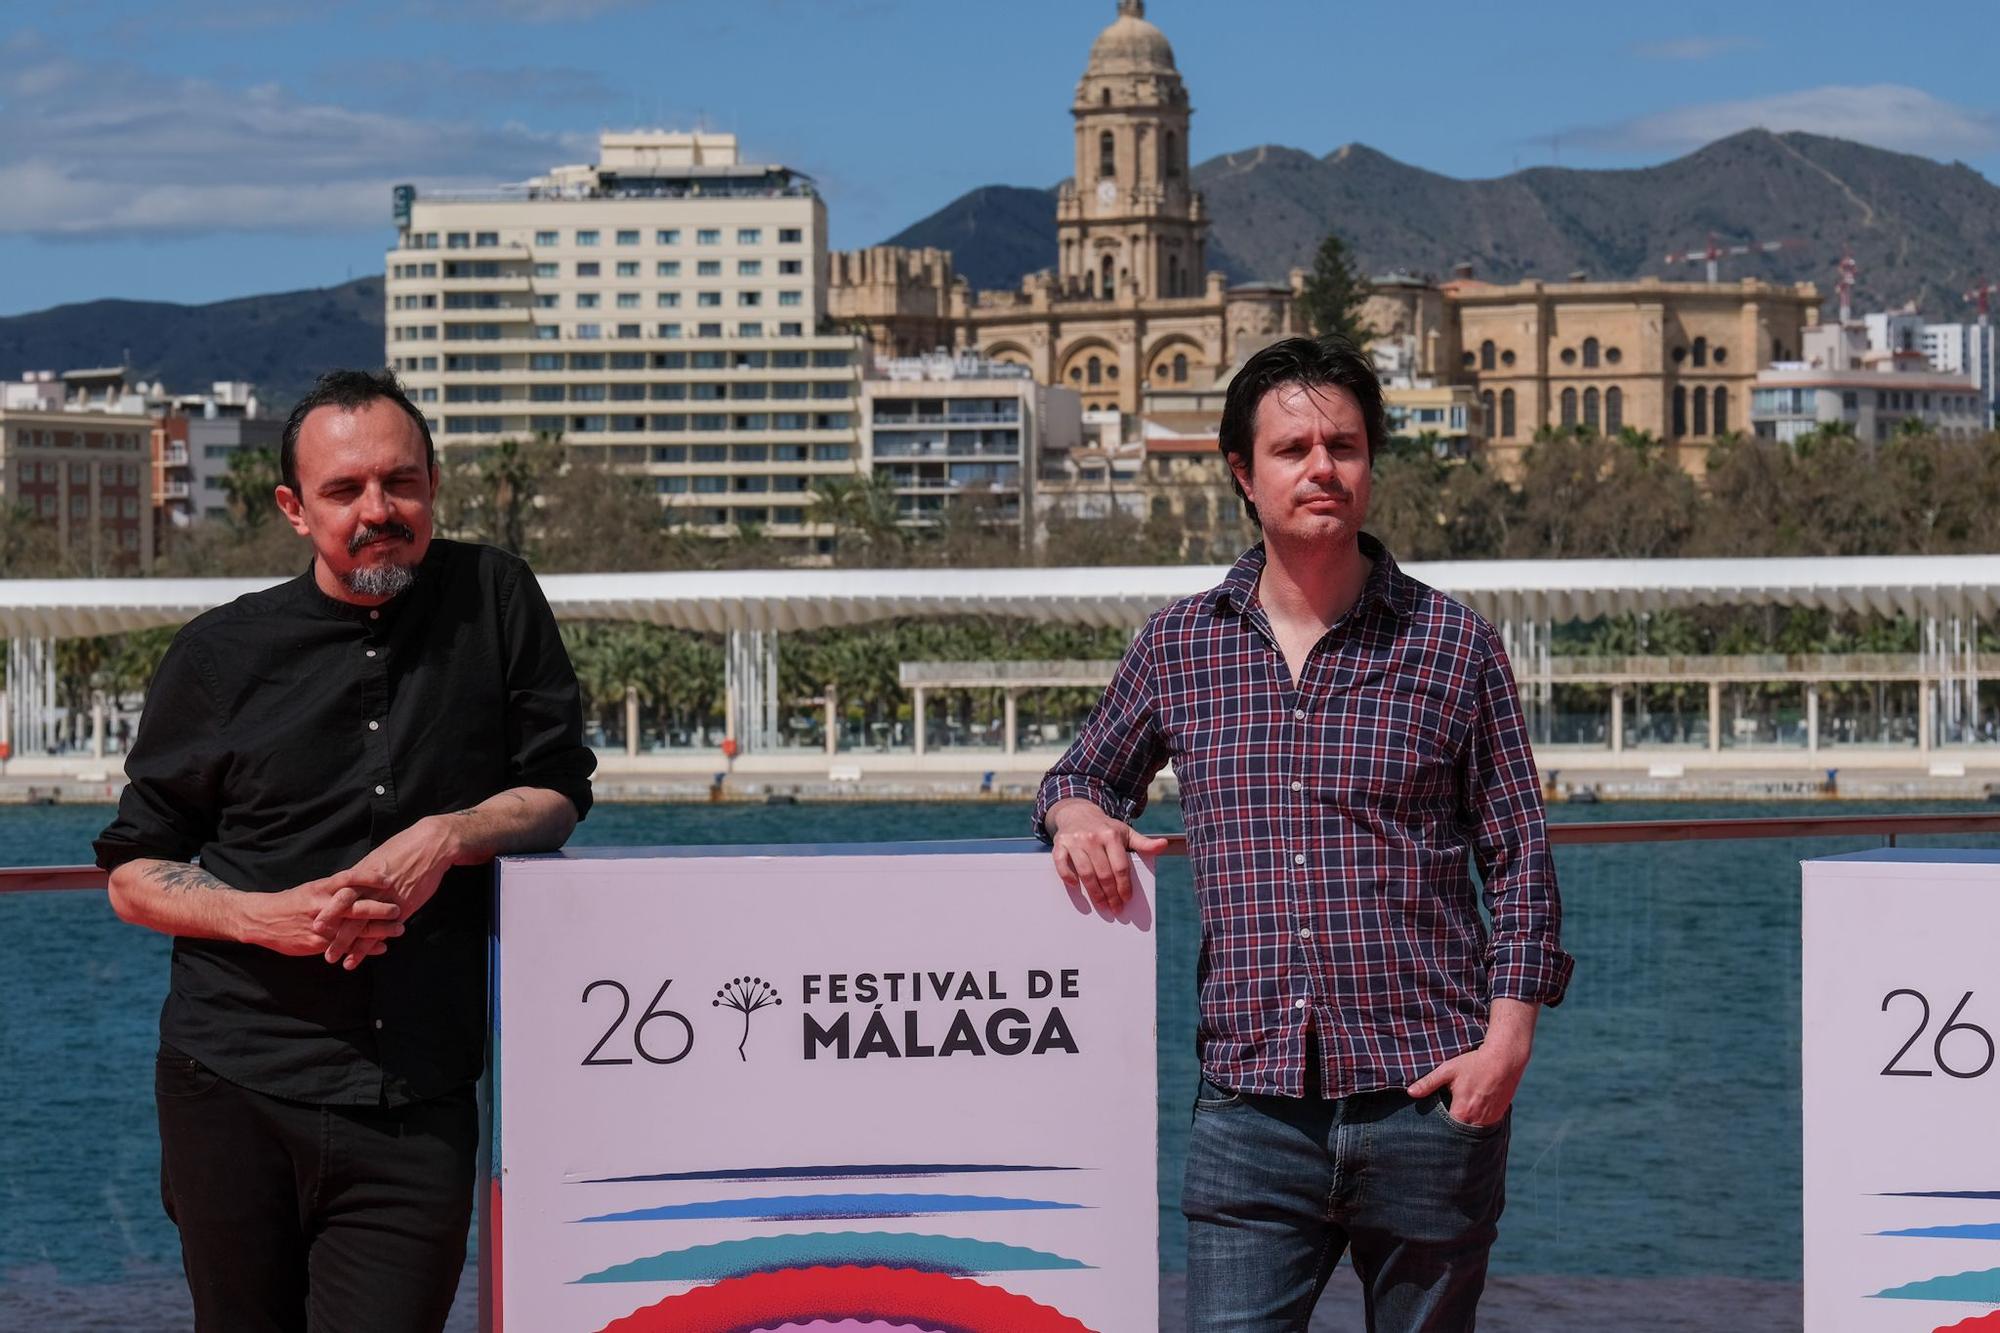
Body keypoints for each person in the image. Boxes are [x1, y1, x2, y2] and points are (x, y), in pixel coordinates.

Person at [1034, 336, 1572, 1330]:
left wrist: (1506, 1043)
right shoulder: (1178, 644)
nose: (1321, 467)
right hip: (1249, 1110)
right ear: (1243, 472)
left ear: (1370, 466)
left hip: (1428, 1100)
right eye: (1292, 448)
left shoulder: (1454, 645)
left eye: (1344, 444)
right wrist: (1075, 815)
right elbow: (1081, 773)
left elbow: (1518, 857)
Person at [94, 368, 596, 1332]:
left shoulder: (496, 597)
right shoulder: (217, 655)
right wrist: (261, 918)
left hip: (418, 1092)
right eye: (345, 490)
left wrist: (449, 835)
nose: (380, 511)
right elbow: (131, 870)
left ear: (434, 483)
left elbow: (559, 791)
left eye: (401, 482)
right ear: (293, 507)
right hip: (230, 1084)